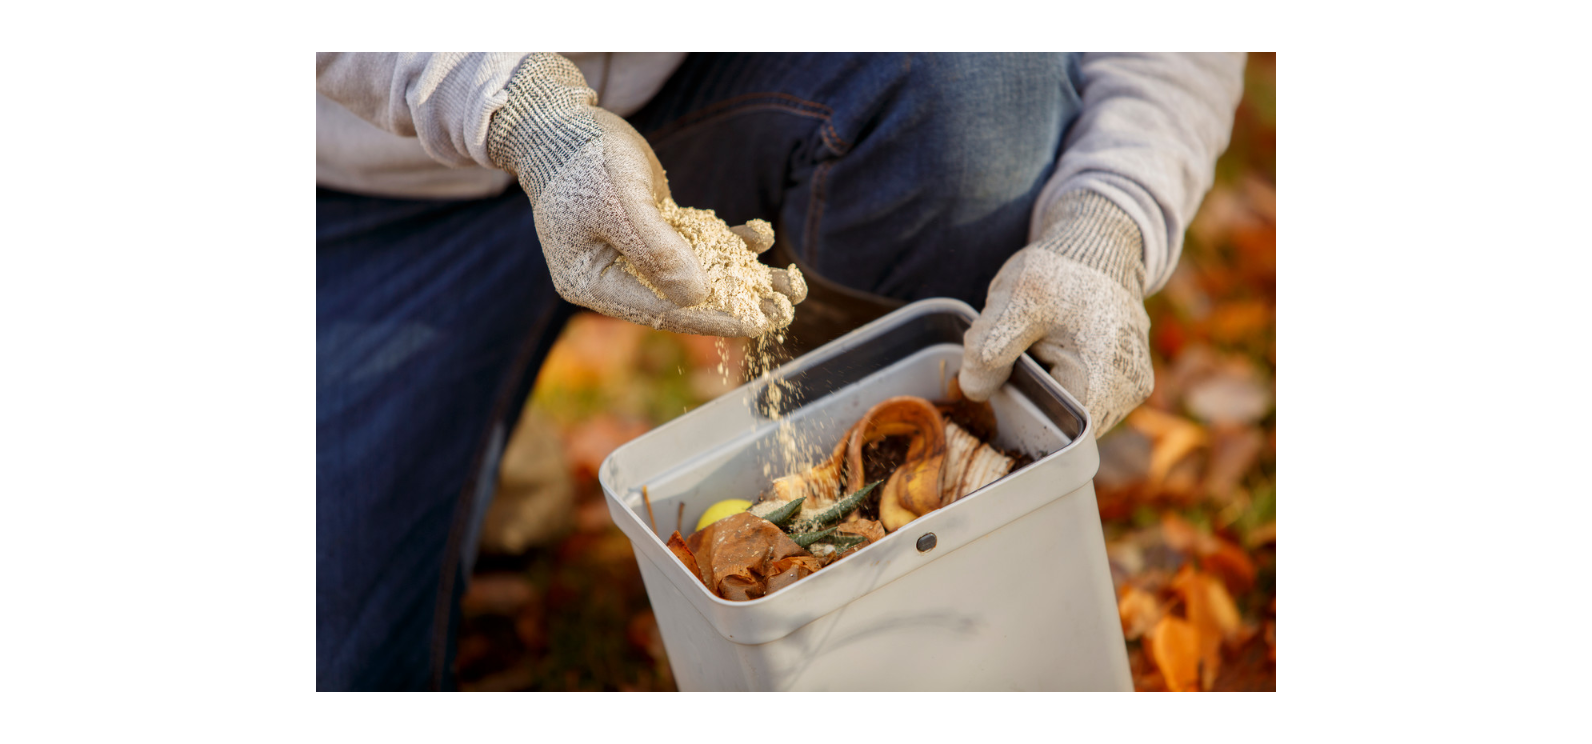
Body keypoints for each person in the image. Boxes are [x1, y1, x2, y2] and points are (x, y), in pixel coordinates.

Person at [315, 52, 1245, 691]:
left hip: (735, 81)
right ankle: (473, 423)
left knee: (967, 83)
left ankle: (882, 543)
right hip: (375, 180)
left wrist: (1108, 221)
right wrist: (528, 118)